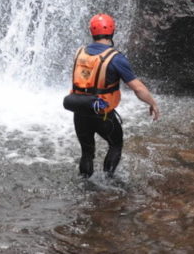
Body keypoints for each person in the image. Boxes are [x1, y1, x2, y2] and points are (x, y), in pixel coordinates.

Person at [66, 13, 159, 178]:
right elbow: (137, 88)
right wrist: (152, 103)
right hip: (102, 114)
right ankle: (109, 181)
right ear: (112, 32)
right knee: (116, 145)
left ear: (92, 32)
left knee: (87, 152)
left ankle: (85, 185)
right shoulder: (115, 58)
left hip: (79, 112)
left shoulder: (79, 52)